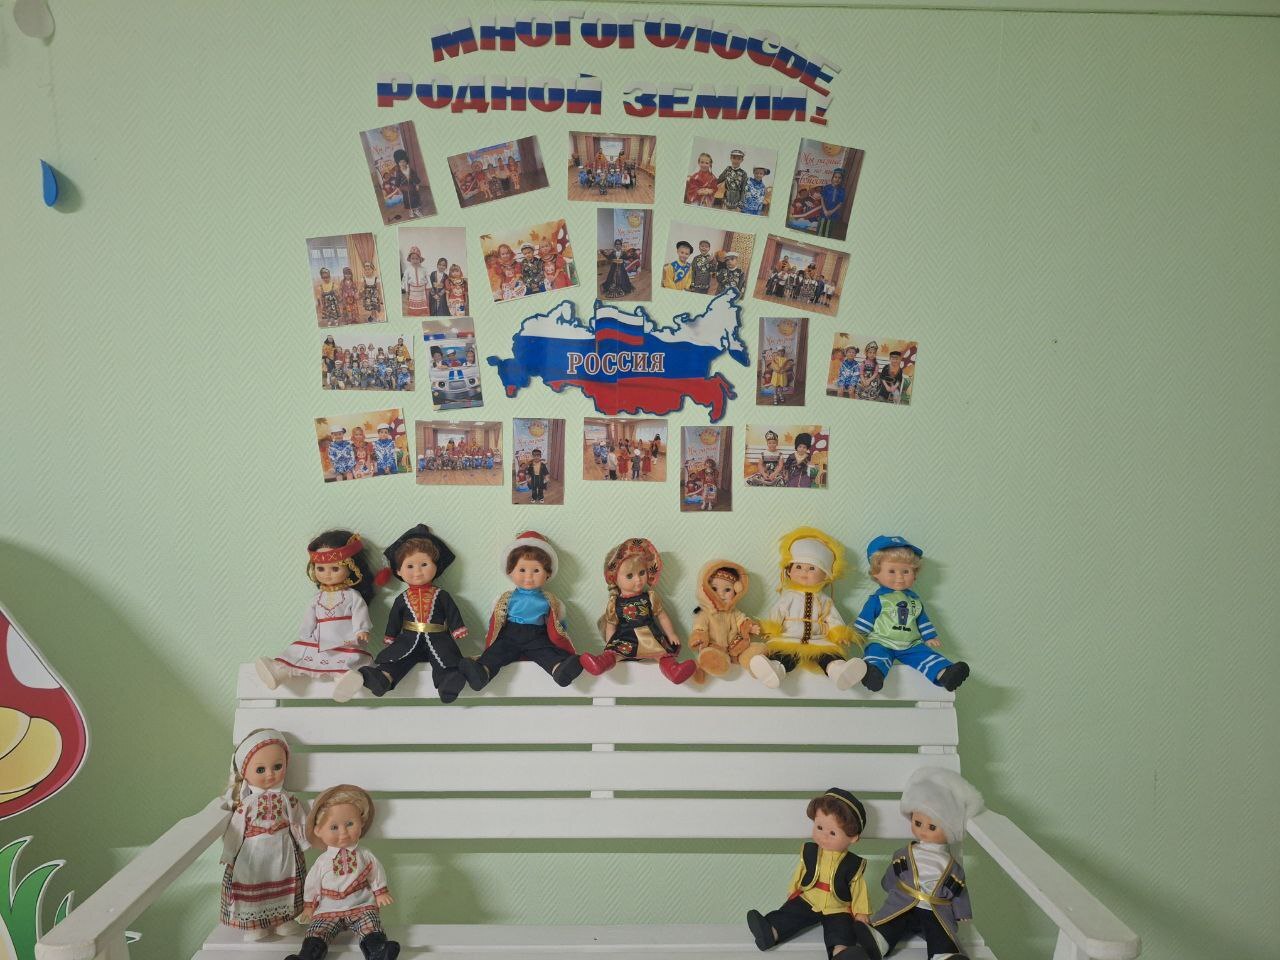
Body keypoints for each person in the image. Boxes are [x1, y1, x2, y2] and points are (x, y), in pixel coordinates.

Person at [333, 525, 469, 704]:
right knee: (397, 659)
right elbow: (395, 618)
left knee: (445, 658)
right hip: (408, 639)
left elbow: (451, 611)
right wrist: (390, 636)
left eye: (424, 564)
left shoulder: (441, 595)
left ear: (436, 566)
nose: (417, 572)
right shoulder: (402, 598)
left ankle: (447, 683)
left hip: (438, 637)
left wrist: (458, 628)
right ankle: (383, 678)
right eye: (410, 566)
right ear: (398, 571)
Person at [746, 788, 878, 959]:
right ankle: (771, 932)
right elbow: (801, 871)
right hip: (809, 898)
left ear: (853, 838)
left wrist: (861, 912)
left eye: (832, 833)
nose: (823, 836)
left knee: (841, 929)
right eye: (819, 827)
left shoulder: (853, 864)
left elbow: (859, 889)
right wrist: (793, 889)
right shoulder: (810, 851)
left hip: (837, 907)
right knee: (791, 913)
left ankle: (841, 952)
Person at [868, 768, 983, 960]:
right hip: (903, 903)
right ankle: (877, 942)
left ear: (949, 830)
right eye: (917, 823)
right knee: (892, 922)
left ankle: (944, 956)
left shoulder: (951, 866)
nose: (922, 831)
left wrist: (961, 911)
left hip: (935, 909)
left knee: (939, 932)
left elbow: (959, 890)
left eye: (932, 827)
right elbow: (894, 873)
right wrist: (888, 885)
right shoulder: (904, 853)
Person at [457, 532, 586, 690]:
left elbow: (559, 624)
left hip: (537, 635)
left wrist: (561, 633)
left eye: (536, 570)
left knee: (547, 652)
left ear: (548, 573)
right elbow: (496, 620)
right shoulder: (505, 598)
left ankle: (559, 669)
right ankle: (482, 672)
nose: (529, 577)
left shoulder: (551, 601)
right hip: (510, 634)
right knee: (497, 652)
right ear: (510, 571)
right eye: (522, 570)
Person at [289, 784, 399, 960]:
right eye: (334, 827)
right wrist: (309, 906)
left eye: (350, 824)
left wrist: (380, 892)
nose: (343, 833)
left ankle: (377, 951)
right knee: (318, 931)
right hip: (328, 908)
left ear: (361, 823)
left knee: (371, 925)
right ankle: (307, 956)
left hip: (361, 904)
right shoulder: (323, 861)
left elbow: (375, 871)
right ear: (318, 831)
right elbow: (312, 883)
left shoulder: (364, 855)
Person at [218, 730, 307, 942]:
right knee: (254, 881)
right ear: (244, 772)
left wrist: (304, 842)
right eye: (260, 769)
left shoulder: (287, 799)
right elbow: (236, 829)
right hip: (253, 851)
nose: (270, 774)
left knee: (283, 881)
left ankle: (283, 919)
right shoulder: (247, 804)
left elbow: (298, 820)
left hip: (283, 848)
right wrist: (229, 853)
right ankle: (255, 923)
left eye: (277, 766)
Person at [853, 536, 970, 693]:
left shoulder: (914, 600)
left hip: (911, 644)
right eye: (892, 571)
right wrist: (855, 635)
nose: (900, 577)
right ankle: (873, 674)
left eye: (906, 571)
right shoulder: (878, 599)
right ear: (876, 574)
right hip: (882, 641)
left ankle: (945, 674)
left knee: (925, 654)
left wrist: (929, 636)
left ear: (914, 574)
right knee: (876, 655)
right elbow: (865, 619)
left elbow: (921, 619)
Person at [579, 538, 697, 684]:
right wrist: (609, 646)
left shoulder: (650, 597)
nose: (638, 580)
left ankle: (673, 671)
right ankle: (601, 663)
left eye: (642, 572)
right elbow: (611, 626)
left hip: (650, 636)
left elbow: (662, 617)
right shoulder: (614, 603)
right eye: (630, 576)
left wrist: (671, 634)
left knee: (662, 654)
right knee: (615, 654)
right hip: (626, 638)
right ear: (614, 578)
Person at [817, 168, 847, 239]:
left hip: (833, 214)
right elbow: (822, 198)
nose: (837, 179)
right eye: (835, 177)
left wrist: (831, 211)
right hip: (824, 212)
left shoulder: (842, 190)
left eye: (839, 178)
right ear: (832, 178)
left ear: (842, 180)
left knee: (828, 231)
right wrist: (825, 210)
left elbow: (840, 203)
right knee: (820, 230)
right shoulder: (826, 187)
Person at [401, 246, 430, 316]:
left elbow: (428, 279)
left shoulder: (424, 269)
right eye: (413, 258)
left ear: (420, 259)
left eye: (417, 258)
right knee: (413, 305)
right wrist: (407, 291)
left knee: (422, 304)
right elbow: (405, 280)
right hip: (413, 291)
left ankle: (422, 312)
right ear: (410, 259)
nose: (415, 260)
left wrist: (428, 289)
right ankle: (414, 313)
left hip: (422, 292)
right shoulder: (408, 270)